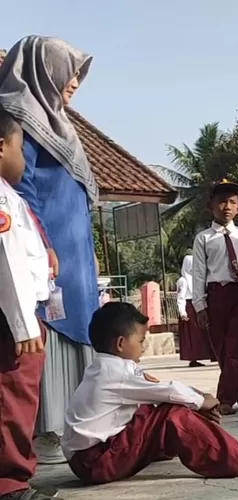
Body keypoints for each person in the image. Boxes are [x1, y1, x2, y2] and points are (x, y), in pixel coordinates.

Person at [0, 35, 100, 464]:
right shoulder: (17, 117)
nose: (74, 81)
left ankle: (74, 424)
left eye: (79, 73)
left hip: (73, 250)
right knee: (47, 330)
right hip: (44, 246)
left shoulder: (56, 121)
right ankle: (47, 429)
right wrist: (44, 242)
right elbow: (21, 190)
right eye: (69, 71)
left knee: (78, 327)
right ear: (43, 69)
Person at [61, 302, 238, 484]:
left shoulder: (104, 367)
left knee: (153, 407)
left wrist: (195, 400)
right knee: (175, 416)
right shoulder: (115, 374)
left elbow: (160, 390)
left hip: (86, 459)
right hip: (96, 462)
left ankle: (164, 447)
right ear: (120, 344)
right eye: (141, 341)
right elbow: (170, 390)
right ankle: (235, 461)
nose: (143, 348)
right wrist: (203, 401)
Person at [0, 108, 58, 500]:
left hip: (15, 313)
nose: (25, 159)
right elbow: (8, 262)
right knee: (13, 401)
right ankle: (10, 484)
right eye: (22, 147)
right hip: (11, 319)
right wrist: (24, 325)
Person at [192, 180, 238, 415]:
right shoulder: (204, 238)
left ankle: (225, 398)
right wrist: (199, 306)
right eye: (222, 201)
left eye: (232, 202)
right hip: (216, 295)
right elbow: (199, 272)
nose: (227, 207)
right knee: (222, 349)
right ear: (210, 205)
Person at [175, 255, 215, 368]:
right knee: (192, 335)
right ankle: (193, 359)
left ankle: (211, 355)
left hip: (199, 305)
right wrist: (182, 312)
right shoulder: (182, 281)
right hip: (189, 308)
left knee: (203, 333)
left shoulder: (199, 279)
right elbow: (180, 297)